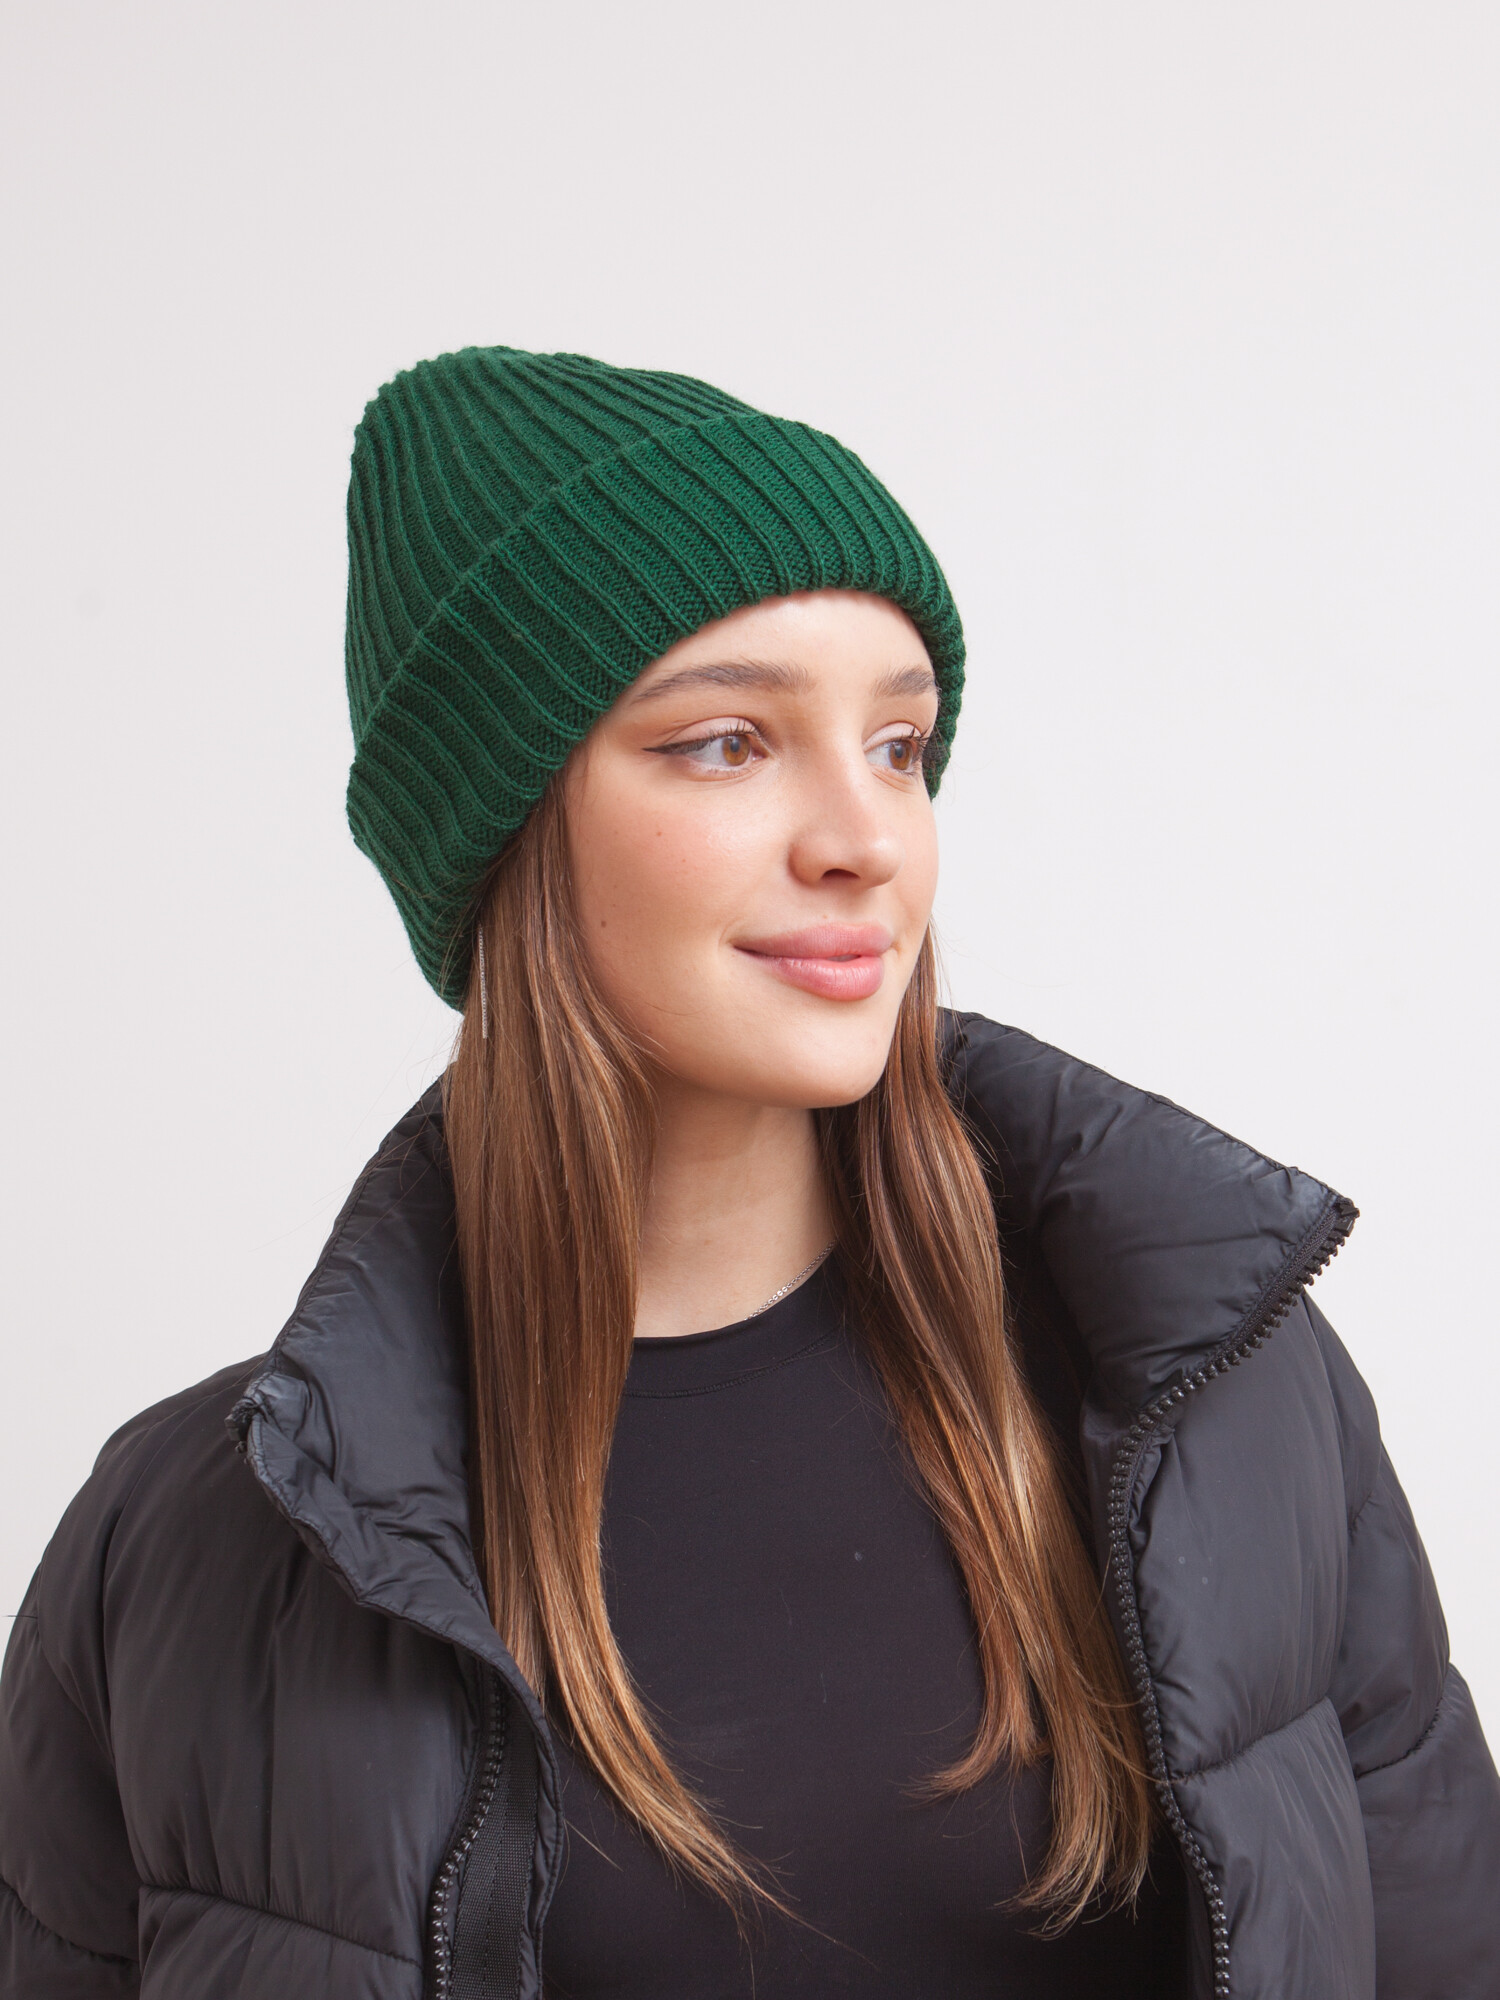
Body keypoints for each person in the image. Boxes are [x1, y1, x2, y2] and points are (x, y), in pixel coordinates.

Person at [1, 348, 1496, 2000]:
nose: (866, 837)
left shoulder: (1209, 1396)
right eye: (726, 742)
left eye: (900, 743)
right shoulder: (197, 1548)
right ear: (503, 835)